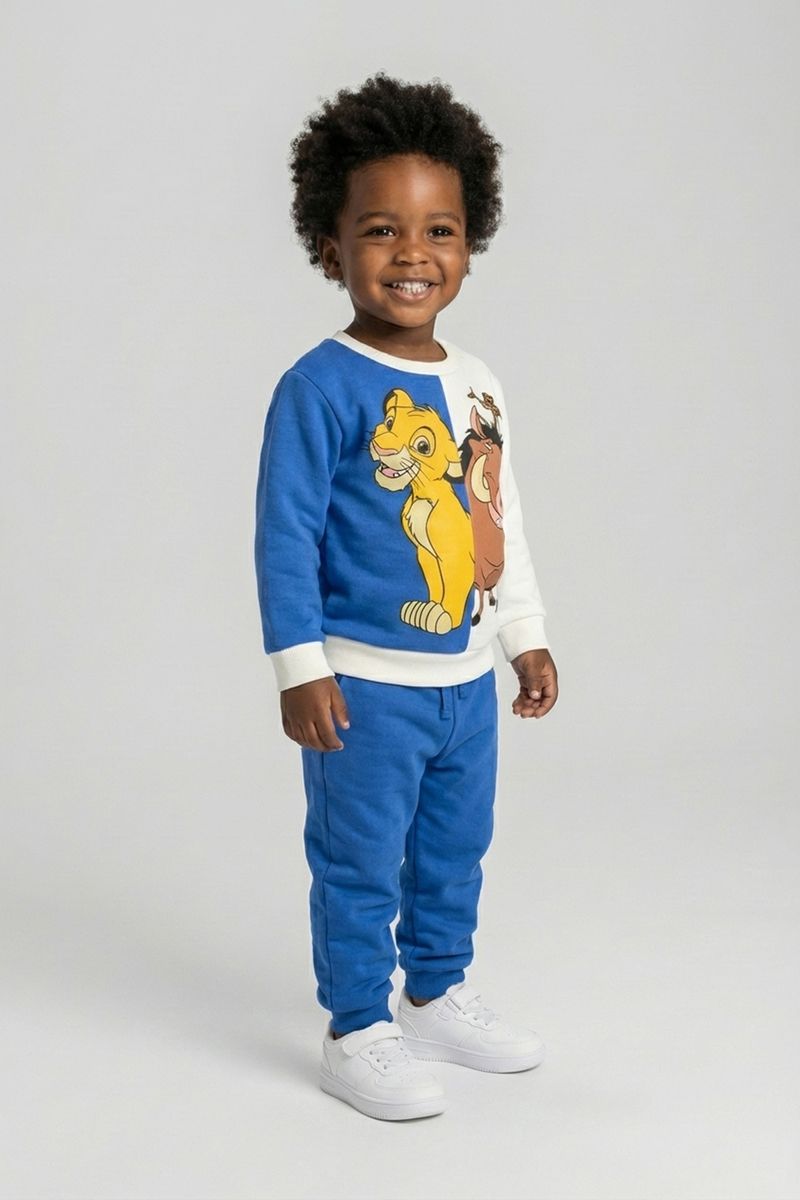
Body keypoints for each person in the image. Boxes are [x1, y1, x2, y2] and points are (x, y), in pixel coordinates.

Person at [254, 73, 559, 1121]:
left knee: (452, 850)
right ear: (328, 245)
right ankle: (356, 1028)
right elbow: (284, 536)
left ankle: (432, 995)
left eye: (440, 231)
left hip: (463, 685)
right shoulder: (319, 386)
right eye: (380, 230)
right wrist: (300, 667)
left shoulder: (478, 382)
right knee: (357, 862)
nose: (412, 254)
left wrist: (522, 633)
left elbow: (497, 517)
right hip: (365, 688)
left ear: (470, 243)